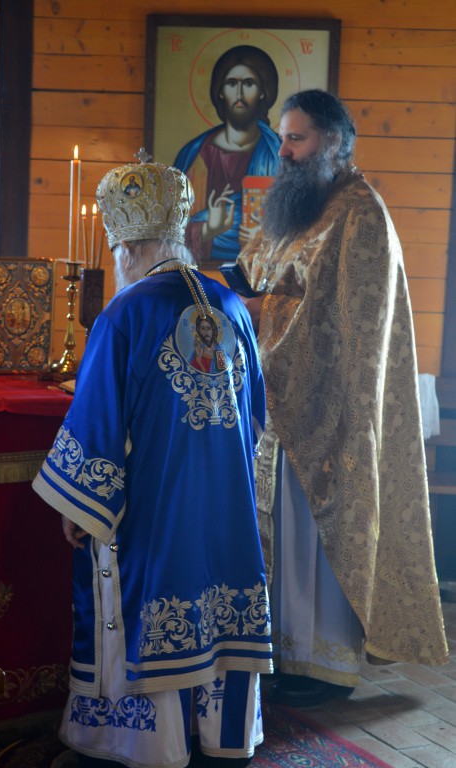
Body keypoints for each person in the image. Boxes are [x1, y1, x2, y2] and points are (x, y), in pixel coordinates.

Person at [33, 155, 272, 767]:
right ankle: (221, 737)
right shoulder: (233, 308)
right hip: (227, 514)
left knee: (138, 591)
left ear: (130, 248)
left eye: (118, 251)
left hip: (156, 519)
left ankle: (146, 744)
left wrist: (80, 508)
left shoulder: (125, 313)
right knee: (223, 608)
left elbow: (97, 423)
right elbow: (255, 420)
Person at [237, 89, 448, 707]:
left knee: (313, 540)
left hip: (330, 415)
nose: (284, 152)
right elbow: (257, 272)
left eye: (296, 139)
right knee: (282, 539)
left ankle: (322, 666)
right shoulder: (299, 210)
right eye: (283, 138)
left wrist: (261, 311)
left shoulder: (361, 215)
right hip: (282, 408)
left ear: (332, 143)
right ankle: (281, 654)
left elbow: (346, 325)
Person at [174, 45, 280, 263]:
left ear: (262, 92)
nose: (239, 94)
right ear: (220, 91)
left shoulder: (277, 152)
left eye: (248, 84)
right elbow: (173, 230)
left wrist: (265, 237)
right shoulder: (197, 155)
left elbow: (294, 222)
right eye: (232, 84)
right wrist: (209, 229)